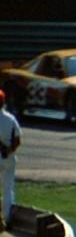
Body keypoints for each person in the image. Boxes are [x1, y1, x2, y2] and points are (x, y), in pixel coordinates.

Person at [0, 89, 22, 228]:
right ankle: (6, 218)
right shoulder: (10, 118)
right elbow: (18, 140)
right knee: (8, 188)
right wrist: (9, 151)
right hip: (8, 157)